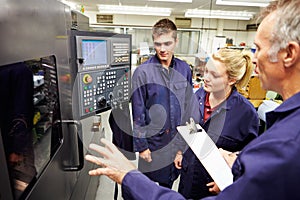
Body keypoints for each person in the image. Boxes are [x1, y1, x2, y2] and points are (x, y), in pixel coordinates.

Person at [85, 0, 300, 199]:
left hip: (183, 153)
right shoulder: (146, 73)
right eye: (158, 43)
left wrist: (229, 172)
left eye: (259, 49)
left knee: (167, 183)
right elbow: (142, 113)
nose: (253, 58)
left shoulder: (272, 132)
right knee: (150, 182)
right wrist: (145, 147)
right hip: (159, 144)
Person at [176, 48, 259, 199]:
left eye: (214, 75)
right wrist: (180, 151)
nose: (206, 78)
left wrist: (227, 180)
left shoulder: (246, 114)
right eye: (206, 71)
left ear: (232, 80)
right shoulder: (198, 96)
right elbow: (188, 126)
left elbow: (250, 158)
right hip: (188, 179)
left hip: (215, 189)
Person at [131, 18, 193, 189]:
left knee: (167, 188)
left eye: (167, 43)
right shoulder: (142, 72)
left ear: (176, 41)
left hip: (175, 144)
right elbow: (138, 113)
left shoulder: (184, 69)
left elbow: (188, 110)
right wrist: (142, 147)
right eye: (158, 44)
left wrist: (182, 148)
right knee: (145, 189)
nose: (163, 49)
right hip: (152, 145)